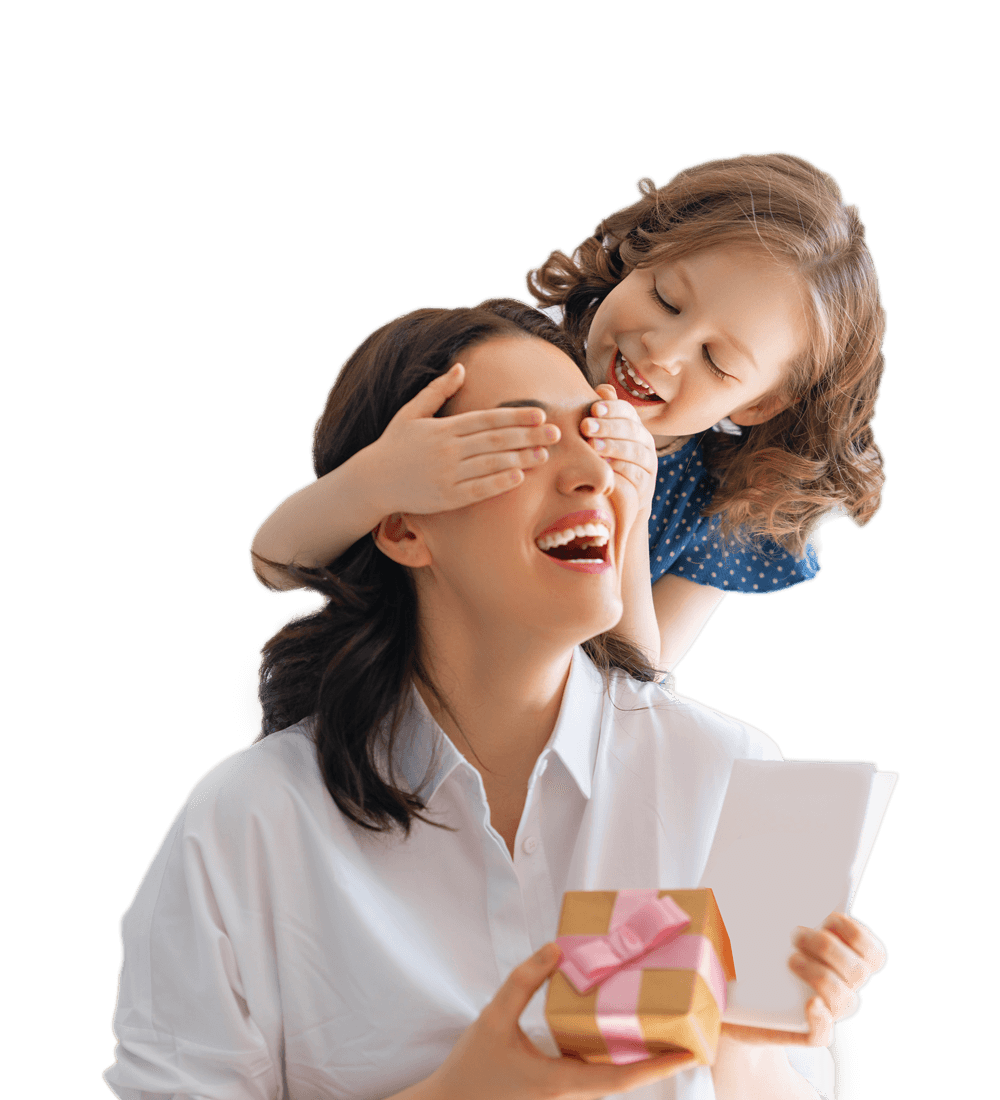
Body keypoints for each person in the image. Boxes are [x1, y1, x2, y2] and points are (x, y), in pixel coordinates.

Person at [104, 300, 888, 1099]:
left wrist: (746, 1040)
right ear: (403, 527)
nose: (590, 475)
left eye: (598, 435)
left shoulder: (728, 777)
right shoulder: (251, 821)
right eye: (524, 440)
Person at [247, 153, 886, 678]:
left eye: (717, 360)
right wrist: (382, 477)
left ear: (759, 404)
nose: (660, 353)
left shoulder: (723, 510)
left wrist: (628, 517)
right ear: (635, 257)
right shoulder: (498, 373)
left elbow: (638, 684)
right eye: (664, 299)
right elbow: (276, 563)